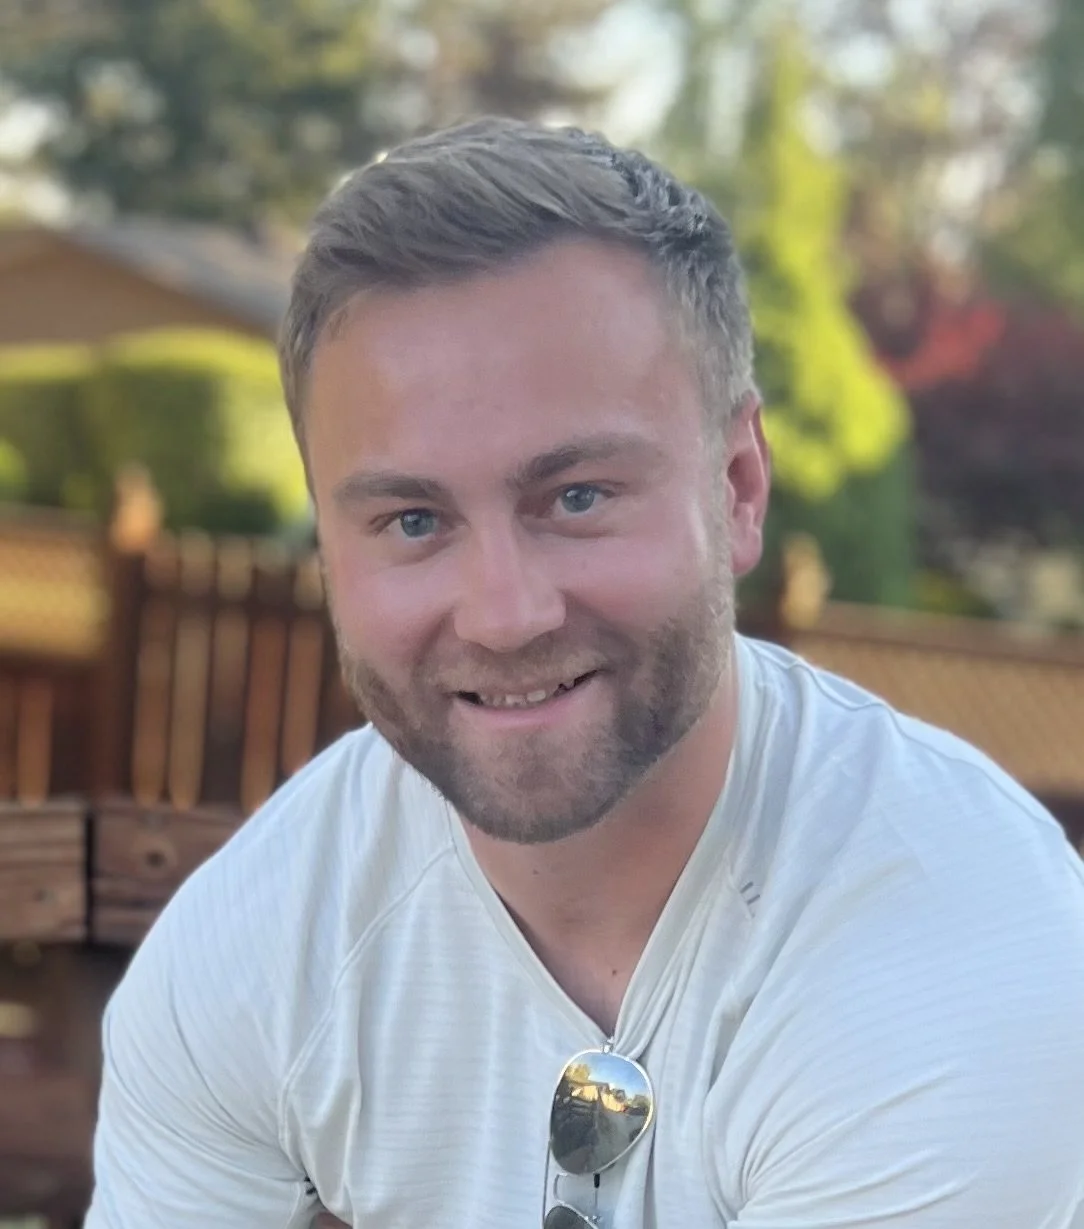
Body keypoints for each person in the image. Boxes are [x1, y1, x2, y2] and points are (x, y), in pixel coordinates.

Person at [85, 117, 1084, 1229]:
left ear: (738, 486)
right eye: (412, 519)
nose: (505, 614)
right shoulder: (255, 949)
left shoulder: (952, 934)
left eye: (576, 496)